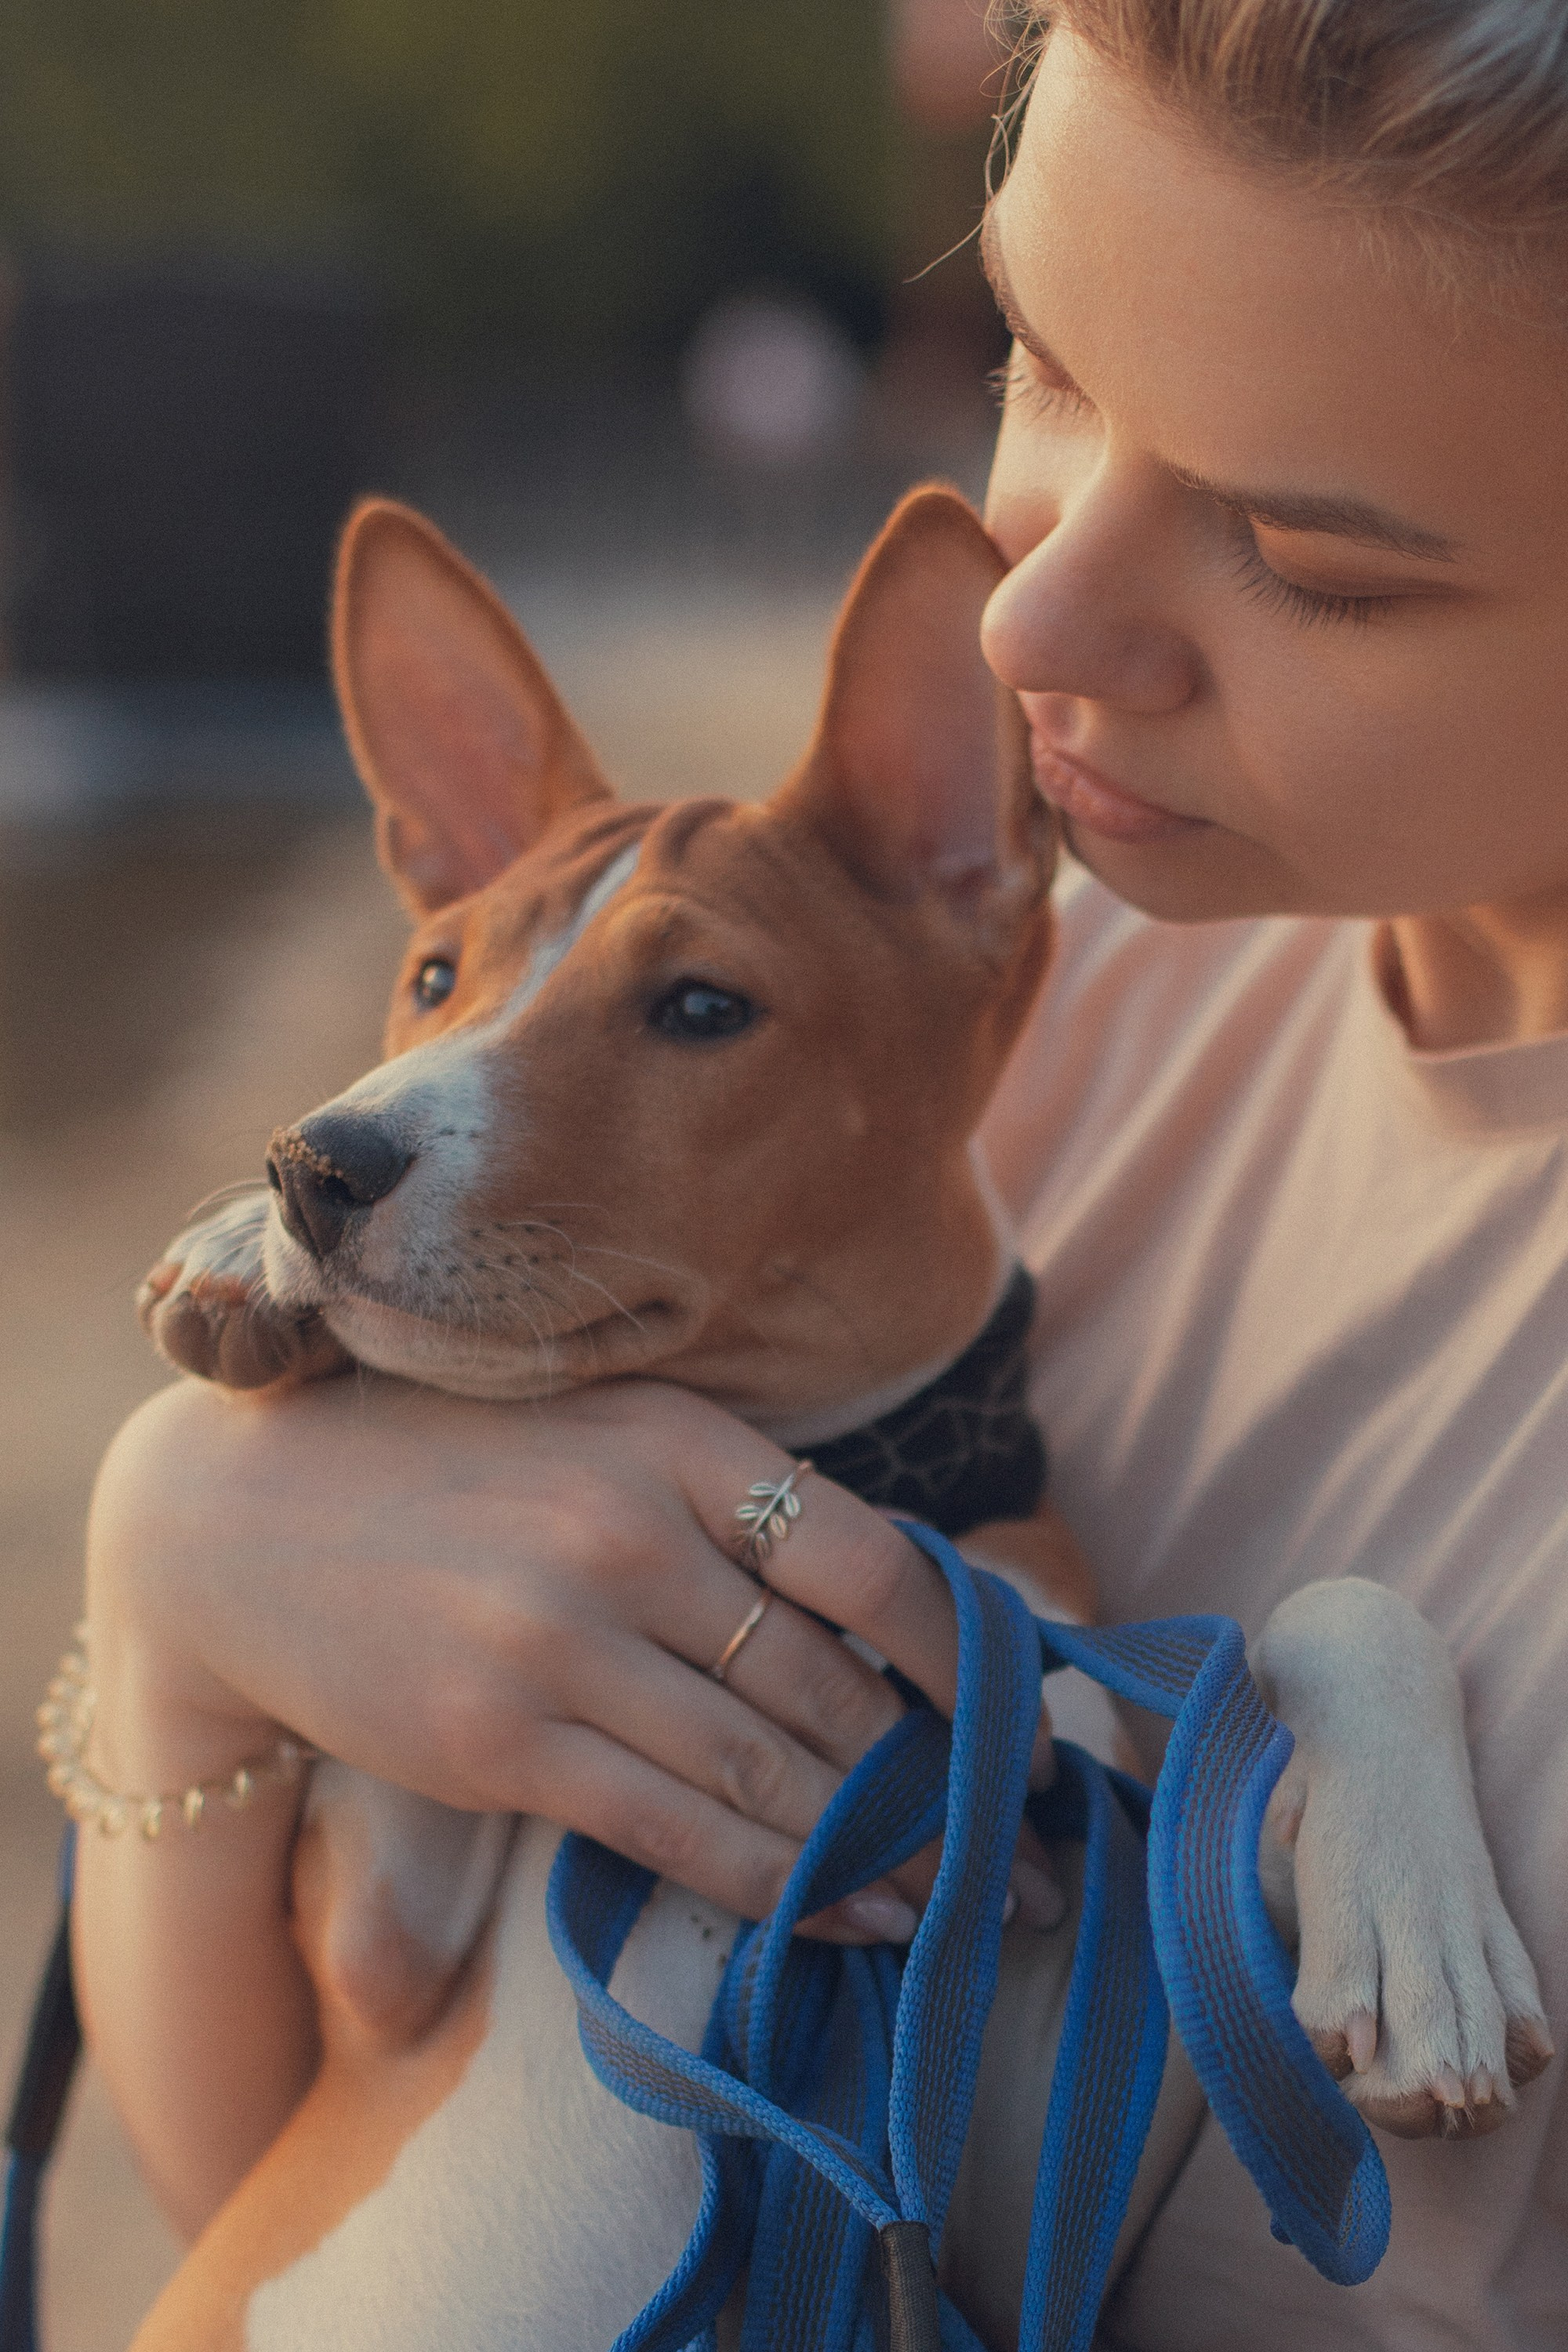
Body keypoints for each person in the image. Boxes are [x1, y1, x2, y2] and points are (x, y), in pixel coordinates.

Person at [71, 2, 1568, 2343]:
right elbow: (278, 2184)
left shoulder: (923, 997)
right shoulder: (1080, 998)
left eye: (1303, 556)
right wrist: (178, 1591)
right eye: (1043, 361)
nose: (1028, 617)